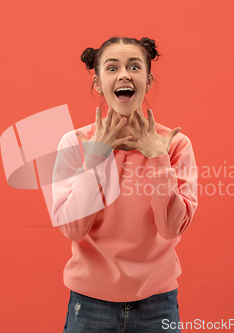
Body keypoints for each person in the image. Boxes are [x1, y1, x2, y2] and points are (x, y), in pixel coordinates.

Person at [51, 36, 198, 333]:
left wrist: (158, 159)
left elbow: (170, 228)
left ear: (148, 79)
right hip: (90, 305)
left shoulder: (174, 145)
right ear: (98, 82)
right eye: (112, 67)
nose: (124, 75)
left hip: (157, 303)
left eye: (134, 66)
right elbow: (74, 229)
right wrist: (95, 159)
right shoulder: (75, 143)